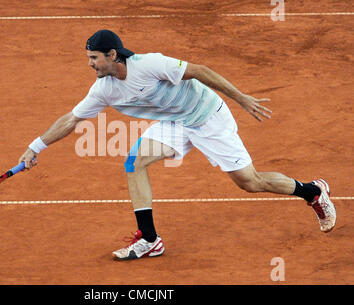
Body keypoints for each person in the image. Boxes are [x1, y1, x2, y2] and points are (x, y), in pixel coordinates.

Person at [18, 29, 336, 260]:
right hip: (175, 123)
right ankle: (151, 240)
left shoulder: (150, 64)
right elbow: (71, 119)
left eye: (93, 58)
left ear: (112, 55)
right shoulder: (103, 89)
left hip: (207, 116)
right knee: (134, 163)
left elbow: (199, 71)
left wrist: (240, 98)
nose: (90, 64)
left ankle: (312, 191)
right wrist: (35, 146)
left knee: (250, 182)